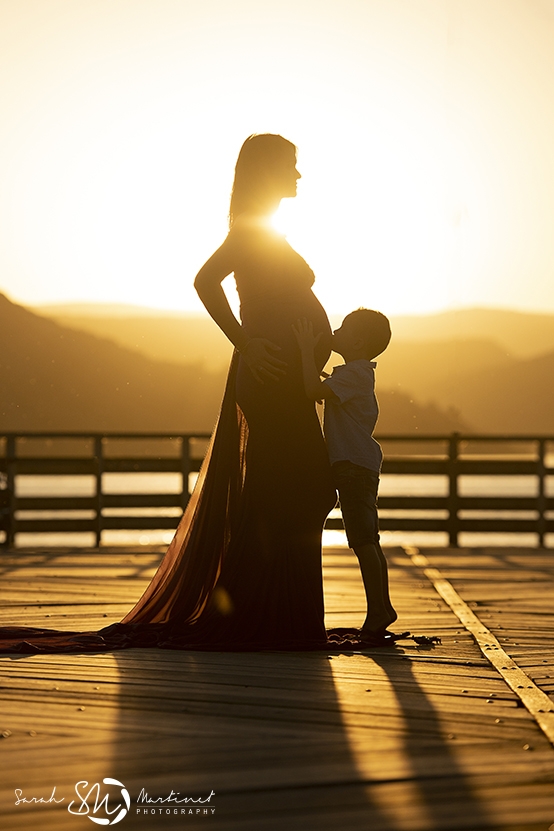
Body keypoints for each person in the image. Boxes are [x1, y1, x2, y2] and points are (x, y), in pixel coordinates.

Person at [0, 134, 338, 653]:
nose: (299, 175)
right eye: (292, 166)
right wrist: (246, 343)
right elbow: (205, 281)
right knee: (295, 491)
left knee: (295, 491)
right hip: (269, 381)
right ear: (267, 171)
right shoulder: (250, 230)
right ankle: (266, 616)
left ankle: (280, 616)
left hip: (285, 380)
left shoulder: (266, 232)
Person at [293, 309, 401, 646]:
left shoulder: (355, 374)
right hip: (355, 465)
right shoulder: (354, 373)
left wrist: (304, 350)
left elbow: (312, 391)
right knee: (367, 539)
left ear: (356, 341)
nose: (334, 331)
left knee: (363, 540)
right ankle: (381, 608)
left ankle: (379, 611)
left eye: (342, 329)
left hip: (354, 466)